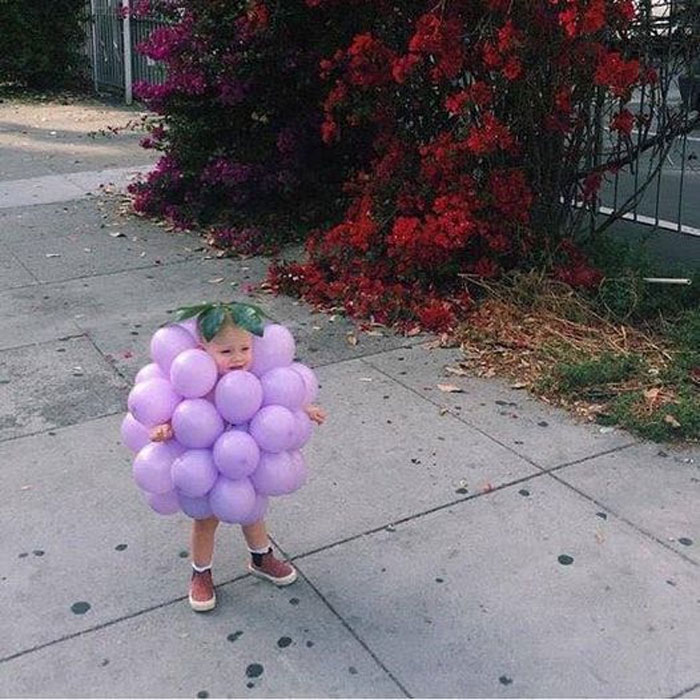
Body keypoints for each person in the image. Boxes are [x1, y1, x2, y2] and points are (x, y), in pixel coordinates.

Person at [150, 318, 326, 612]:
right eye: (226, 351)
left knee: (251, 511)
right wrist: (165, 427)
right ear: (202, 350)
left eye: (245, 348)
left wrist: (303, 408)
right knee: (205, 521)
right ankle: (201, 572)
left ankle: (261, 558)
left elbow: (273, 400)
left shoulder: (252, 377)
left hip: (244, 463)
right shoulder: (198, 381)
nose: (238, 358)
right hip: (207, 467)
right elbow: (182, 411)